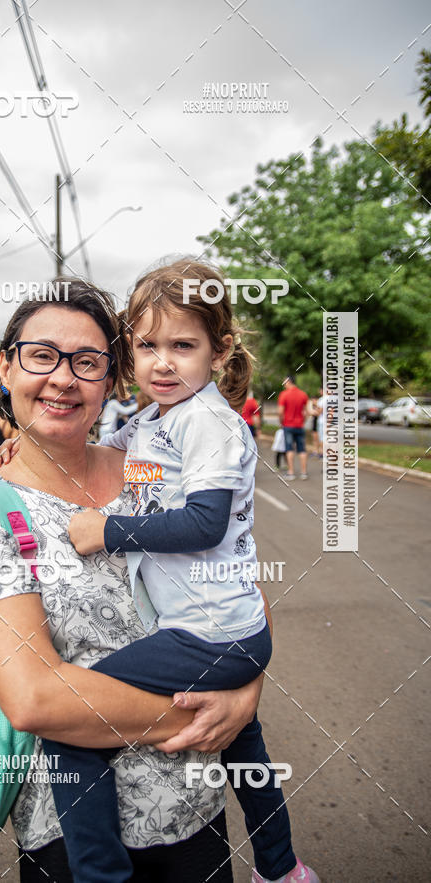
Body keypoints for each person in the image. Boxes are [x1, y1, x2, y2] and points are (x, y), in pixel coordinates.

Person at [0, 279, 265, 883]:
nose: (64, 378)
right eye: (42, 355)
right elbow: (34, 696)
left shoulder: (151, 463)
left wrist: (245, 691)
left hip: (194, 811)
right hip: (74, 837)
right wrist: (216, 717)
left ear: (110, 380)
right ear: (6, 366)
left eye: (87, 362)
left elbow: (238, 584)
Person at [54, 260, 318, 883]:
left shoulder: (208, 423)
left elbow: (205, 523)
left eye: (182, 345)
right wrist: (25, 440)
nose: (162, 363)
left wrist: (106, 531)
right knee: (243, 751)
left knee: (69, 720)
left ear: (219, 351)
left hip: (209, 631)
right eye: (147, 346)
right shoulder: (151, 422)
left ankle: (98, 875)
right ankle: (282, 870)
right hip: (220, 627)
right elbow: (96, 455)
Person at [277, 377, 309, 481]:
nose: (284, 384)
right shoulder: (303, 394)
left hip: (288, 425)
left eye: (284, 382)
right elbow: (306, 411)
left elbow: (280, 412)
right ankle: (304, 473)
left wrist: (282, 422)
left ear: (289, 382)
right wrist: (303, 421)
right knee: (302, 449)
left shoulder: (284, 394)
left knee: (289, 448)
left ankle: (291, 472)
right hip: (299, 425)